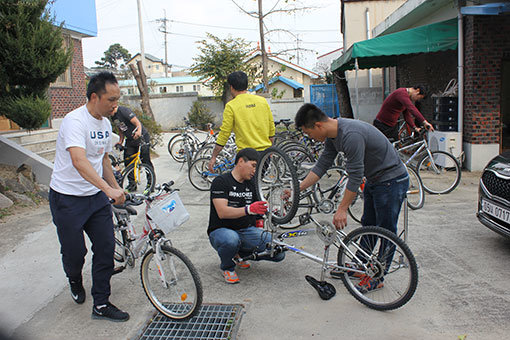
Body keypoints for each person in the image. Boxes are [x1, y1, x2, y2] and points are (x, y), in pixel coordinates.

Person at [294, 104, 409, 291]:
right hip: (375, 179)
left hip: (391, 180)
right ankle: (360, 264)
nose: (310, 138)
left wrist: (342, 209)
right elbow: (322, 165)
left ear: (318, 126)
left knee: (386, 230)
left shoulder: (350, 135)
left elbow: (355, 176)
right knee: (369, 224)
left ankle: (378, 276)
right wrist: (297, 189)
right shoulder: (333, 136)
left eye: (308, 133)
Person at [49, 71, 129, 322]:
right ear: (95, 96)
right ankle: (74, 279)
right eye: (111, 99)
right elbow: (79, 161)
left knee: (105, 248)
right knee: (75, 253)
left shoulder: (105, 124)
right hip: (67, 199)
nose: (116, 105)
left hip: (95, 198)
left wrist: (116, 188)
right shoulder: (75, 121)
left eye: (118, 99)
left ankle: (102, 304)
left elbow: (102, 160)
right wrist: (108, 190)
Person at [208, 148, 285, 284]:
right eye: (253, 166)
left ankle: (241, 256)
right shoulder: (221, 181)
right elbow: (222, 212)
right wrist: (248, 209)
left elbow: (260, 207)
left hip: (245, 230)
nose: (255, 170)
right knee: (231, 240)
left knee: (278, 251)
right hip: (221, 230)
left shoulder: (252, 184)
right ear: (241, 162)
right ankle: (227, 267)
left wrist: (274, 210)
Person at [208, 71, 275, 172]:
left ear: (231, 87)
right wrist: (270, 149)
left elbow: (225, 133)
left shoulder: (231, 106)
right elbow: (271, 128)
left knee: (240, 185)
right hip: (265, 155)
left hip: (246, 156)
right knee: (256, 185)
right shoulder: (262, 101)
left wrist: (214, 157)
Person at [111, 105, 154, 191]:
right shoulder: (112, 116)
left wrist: (139, 131)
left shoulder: (123, 110)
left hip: (142, 136)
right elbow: (121, 128)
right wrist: (120, 140)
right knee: (128, 160)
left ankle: (150, 184)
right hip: (131, 138)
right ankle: (132, 184)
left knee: (145, 160)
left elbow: (137, 122)